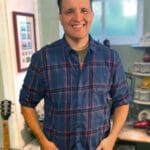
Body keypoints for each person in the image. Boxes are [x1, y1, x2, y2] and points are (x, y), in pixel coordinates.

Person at [19, 0, 130, 149]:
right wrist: (43, 141)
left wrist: (112, 138)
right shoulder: (43, 59)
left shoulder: (110, 58)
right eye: (69, 11)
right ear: (60, 17)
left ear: (92, 15)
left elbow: (122, 102)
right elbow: (26, 103)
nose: (78, 18)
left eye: (84, 10)